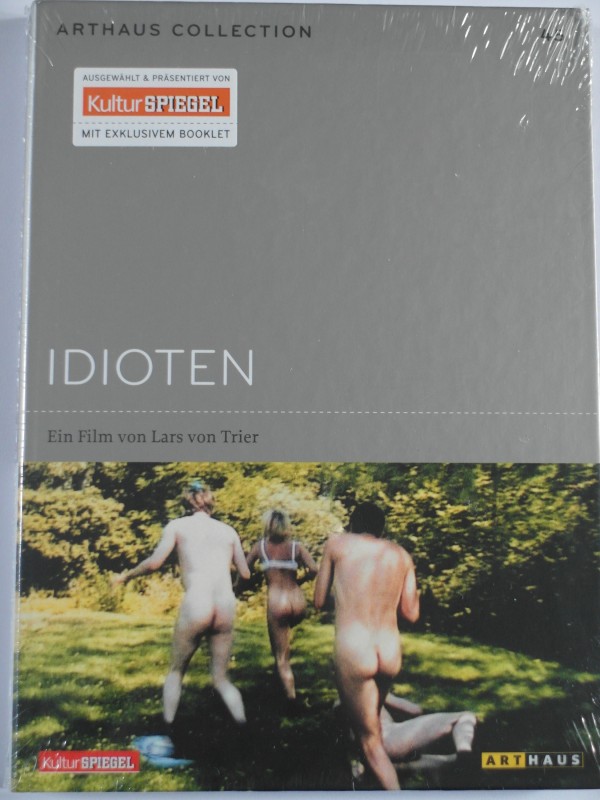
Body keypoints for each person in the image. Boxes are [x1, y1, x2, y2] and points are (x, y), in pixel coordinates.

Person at [112, 481, 250, 728]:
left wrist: (127, 576)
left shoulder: (177, 526)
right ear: (210, 502)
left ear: (186, 502)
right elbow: (246, 573)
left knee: (176, 671)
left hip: (197, 600)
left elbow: (154, 563)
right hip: (225, 603)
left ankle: (168, 729)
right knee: (221, 679)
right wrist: (234, 588)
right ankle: (244, 728)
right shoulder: (228, 531)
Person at [314, 502, 419, 790]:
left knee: (369, 741)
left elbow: (318, 600)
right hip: (389, 650)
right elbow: (411, 614)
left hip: (355, 648)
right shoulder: (402, 555)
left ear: (352, 524)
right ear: (381, 529)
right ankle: (364, 776)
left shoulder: (337, 545)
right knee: (369, 721)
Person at [246, 510, 318, 701]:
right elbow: (314, 569)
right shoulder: (296, 547)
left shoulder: (260, 547)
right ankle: (280, 682)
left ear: (267, 525)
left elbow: (245, 571)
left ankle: (290, 699)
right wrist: (300, 581)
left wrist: (237, 586)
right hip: (297, 601)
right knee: (284, 639)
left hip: (277, 602)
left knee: (281, 657)